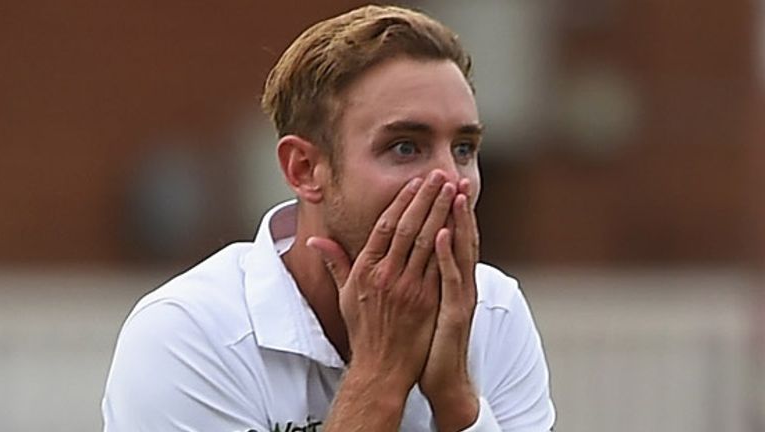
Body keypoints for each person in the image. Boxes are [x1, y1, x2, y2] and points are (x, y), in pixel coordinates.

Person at [102, 5, 555, 432]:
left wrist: (457, 401)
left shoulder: (496, 311)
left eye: (463, 149)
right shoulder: (188, 334)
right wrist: (380, 374)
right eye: (405, 147)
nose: (450, 180)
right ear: (304, 170)